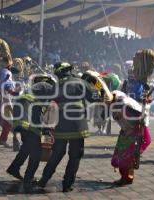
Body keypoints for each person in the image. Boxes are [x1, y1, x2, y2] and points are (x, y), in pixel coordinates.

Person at [37, 62, 101, 192]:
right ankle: (67, 184)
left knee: (57, 153)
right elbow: (95, 97)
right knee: (75, 155)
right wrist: (98, 89)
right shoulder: (81, 83)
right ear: (69, 71)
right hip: (77, 125)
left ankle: (44, 179)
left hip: (61, 125)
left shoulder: (56, 86)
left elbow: (47, 102)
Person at [110, 49, 154, 185]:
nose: (131, 75)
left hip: (134, 118)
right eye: (130, 73)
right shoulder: (127, 83)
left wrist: (146, 99)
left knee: (136, 144)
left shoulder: (142, 84)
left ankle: (128, 174)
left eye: (133, 72)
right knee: (127, 146)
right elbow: (121, 96)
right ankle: (126, 174)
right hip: (128, 118)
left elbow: (142, 99)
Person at [7, 74, 57, 193]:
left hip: (21, 122)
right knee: (36, 154)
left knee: (27, 147)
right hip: (28, 124)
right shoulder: (46, 92)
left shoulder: (33, 92)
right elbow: (43, 120)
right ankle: (28, 181)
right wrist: (46, 136)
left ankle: (14, 168)